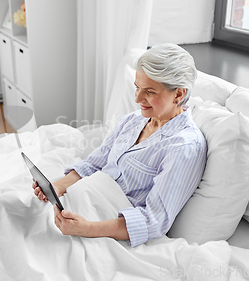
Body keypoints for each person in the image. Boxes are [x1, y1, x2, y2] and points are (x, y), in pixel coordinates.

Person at [32, 43, 207, 247]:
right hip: (77, 202)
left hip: (104, 223)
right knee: (10, 211)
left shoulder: (184, 147)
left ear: (178, 95)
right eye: (137, 88)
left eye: (149, 92)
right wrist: (57, 187)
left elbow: (154, 220)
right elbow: (94, 164)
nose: (137, 98)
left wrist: (87, 229)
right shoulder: (132, 121)